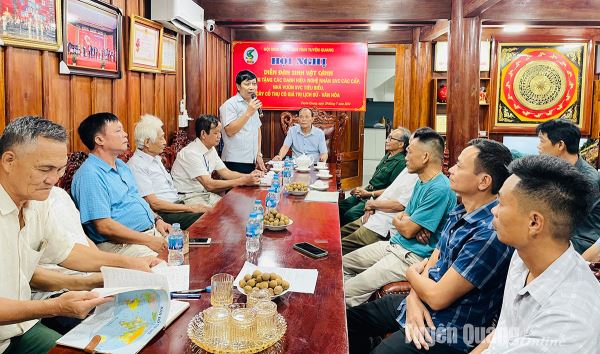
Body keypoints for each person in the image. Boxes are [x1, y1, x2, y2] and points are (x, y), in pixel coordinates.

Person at [0, 116, 159, 354]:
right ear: (9, 161)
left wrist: (131, 263)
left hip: (21, 326)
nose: (53, 180)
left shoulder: (38, 201)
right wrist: (56, 306)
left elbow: (69, 253)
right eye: (45, 169)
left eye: (60, 170)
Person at [347, 139, 514, 354]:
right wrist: (414, 299)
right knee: (350, 320)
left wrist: (411, 274)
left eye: (460, 166)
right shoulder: (460, 211)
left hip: (445, 329)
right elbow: (433, 262)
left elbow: (437, 297)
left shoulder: (487, 233)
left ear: (483, 181)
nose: (451, 169)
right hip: (419, 303)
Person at [472, 155, 600, 353]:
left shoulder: (567, 323)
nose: (493, 211)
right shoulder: (523, 257)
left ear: (534, 223)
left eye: (501, 203)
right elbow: (503, 333)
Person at [343, 127, 456, 307]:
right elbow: (403, 219)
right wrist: (405, 222)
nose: (405, 157)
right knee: (341, 264)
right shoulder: (421, 181)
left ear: (425, 157)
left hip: (410, 256)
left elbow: (408, 228)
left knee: (346, 291)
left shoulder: (439, 188)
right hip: (394, 244)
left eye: (409, 152)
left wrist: (408, 224)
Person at [71, 112, 172, 258]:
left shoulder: (121, 165)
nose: (125, 134)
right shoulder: (90, 175)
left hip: (148, 235)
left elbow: (136, 200)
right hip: (119, 246)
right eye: (118, 131)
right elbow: (104, 226)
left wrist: (157, 220)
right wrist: (149, 240)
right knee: (171, 265)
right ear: (99, 139)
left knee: (192, 249)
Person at [128, 114, 210, 230]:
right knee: (207, 217)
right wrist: (191, 208)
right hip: (163, 214)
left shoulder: (155, 158)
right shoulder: (137, 165)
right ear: (147, 142)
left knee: (213, 210)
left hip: (177, 204)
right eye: (161, 138)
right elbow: (154, 204)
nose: (165, 142)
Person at [536, 118, 600, 253]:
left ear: (560, 145)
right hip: (563, 234)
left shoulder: (587, 179)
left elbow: (562, 217)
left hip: (581, 240)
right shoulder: (556, 169)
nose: (538, 146)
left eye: (542, 141)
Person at [171, 115, 261, 207]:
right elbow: (209, 184)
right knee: (220, 213)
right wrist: (242, 181)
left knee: (234, 206)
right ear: (203, 134)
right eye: (215, 133)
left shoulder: (211, 149)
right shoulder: (190, 153)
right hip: (188, 197)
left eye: (220, 133)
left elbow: (226, 172)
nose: (219, 136)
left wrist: (249, 176)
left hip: (203, 194)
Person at [340, 157, 419, 255]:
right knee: (337, 234)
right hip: (373, 214)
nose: (406, 156)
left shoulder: (418, 177)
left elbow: (399, 205)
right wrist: (372, 204)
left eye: (410, 152)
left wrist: (372, 203)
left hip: (381, 225)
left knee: (339, 246)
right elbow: (389, 191)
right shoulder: (407, 168)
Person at [339, 128, 410, 226]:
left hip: (377, 197)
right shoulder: (388, 155)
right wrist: (362, 189)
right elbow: (376, 180)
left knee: (350, 215)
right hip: (367, 191)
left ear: (401, 144)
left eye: (391, 138)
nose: (386, 140)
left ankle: (344, 237)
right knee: (340, 206)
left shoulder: (401, 162)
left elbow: (391, 190)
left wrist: (369, 193)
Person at [219, 70, 266, 174]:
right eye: (247, 83)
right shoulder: (230, 105)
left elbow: (257, 130)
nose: (251, 87)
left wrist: (258, 154)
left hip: (251, 159)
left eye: (254, 84)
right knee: (235, 190)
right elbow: (230, 131)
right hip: (235, 160)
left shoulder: (253, 104)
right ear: (238, 86)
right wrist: (248, 112)